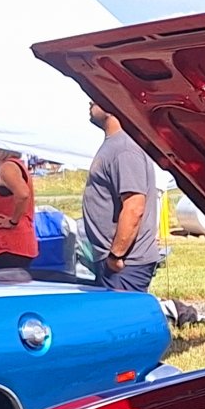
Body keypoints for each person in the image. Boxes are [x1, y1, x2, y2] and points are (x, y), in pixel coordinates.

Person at [82, 100, 160, 291]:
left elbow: (134, 207)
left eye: (95, 96)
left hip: (125, 265)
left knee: (127, 320)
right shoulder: (115, 145)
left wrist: (116, 256)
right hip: (116, 263)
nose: (90, 101)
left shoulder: (124, 149)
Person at [0, 145, 38, 271]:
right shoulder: (14, 166)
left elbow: (23, 194)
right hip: (10, 245)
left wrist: (13, 220)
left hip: (11, 245)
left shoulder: (8, 167)